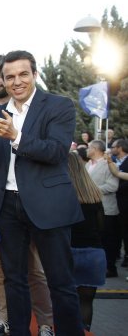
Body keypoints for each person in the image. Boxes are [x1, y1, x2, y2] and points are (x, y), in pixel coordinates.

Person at [0, 50, 85, 336]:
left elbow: (57, 152)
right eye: (9, 76)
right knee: (14, 281)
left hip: (48, 205)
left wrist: (16, 137)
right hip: (6, 206)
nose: (16, 81)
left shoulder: (58, 106)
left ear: (35, 74)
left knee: (60, 282)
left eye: (23, 74)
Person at [67, 152, 106, 331]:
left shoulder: (63, 196)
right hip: (94, 254)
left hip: (69, 252)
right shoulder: (95, 194)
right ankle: (85, 330)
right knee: (86, 302)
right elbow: (101, 227)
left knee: (66, 301)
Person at [85, 140, 120, 278]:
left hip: (107, 209)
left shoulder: (109, 165)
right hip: (91, 209)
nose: (87, 150)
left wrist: (91, 190)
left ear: (95, 149)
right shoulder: (88, 164)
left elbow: (112, 186)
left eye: (89, 147)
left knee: (107, 241)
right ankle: (97, 267)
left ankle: (110, 268)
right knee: (96, 240)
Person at [108, 139, 128, 268]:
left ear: (119, 148)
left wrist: (116, 188)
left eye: (113, 147)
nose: (111, 149)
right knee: (116, 230)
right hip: (113, 203)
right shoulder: (113, 161)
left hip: (125, 201)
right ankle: (115, 255)